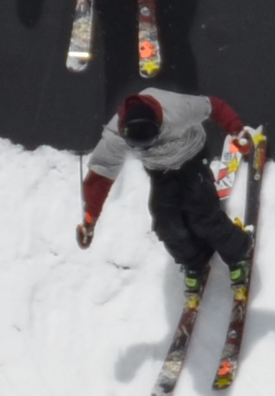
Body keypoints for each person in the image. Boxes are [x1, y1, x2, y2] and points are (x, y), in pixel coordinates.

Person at [77, 86, 254, 289]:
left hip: (192, 157)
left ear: (159, 124)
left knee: (203, 216)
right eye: (138, 146)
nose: (145, 148)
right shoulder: (116, 135)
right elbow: (101, 172)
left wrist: (237, 130)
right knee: (165, 225)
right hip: (160, 170)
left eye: (150, 142)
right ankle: (195, 261)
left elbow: (213, 107)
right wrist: (90, 220)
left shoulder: (176, 109)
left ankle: (239, 251)